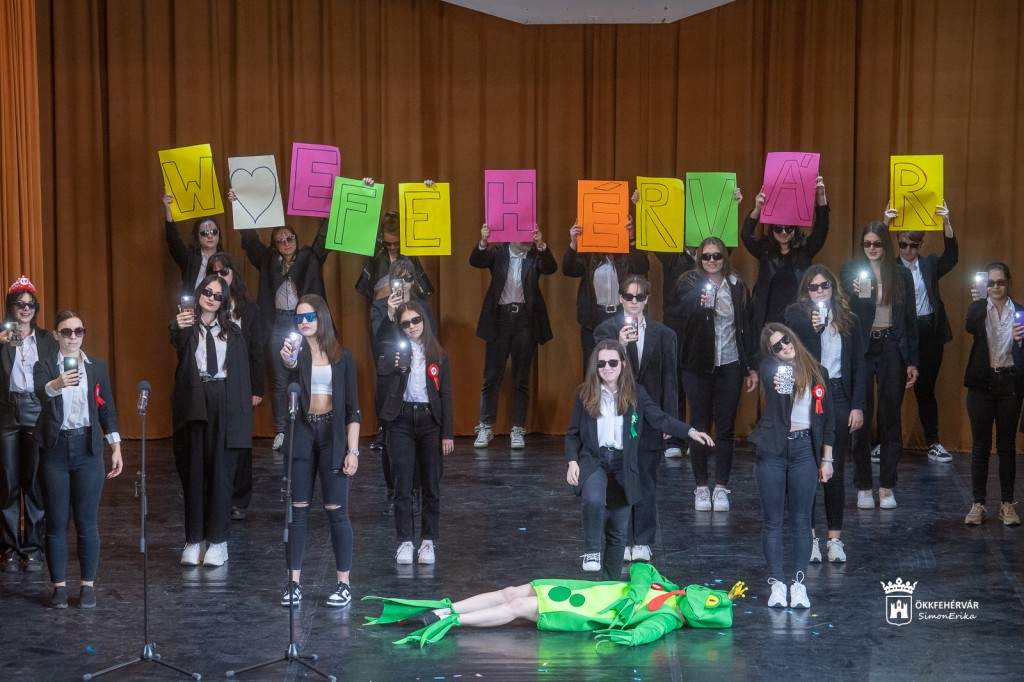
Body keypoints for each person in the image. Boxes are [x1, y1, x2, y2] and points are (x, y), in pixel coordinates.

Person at [565, 340, 714, 580]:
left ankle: (610, 586)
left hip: (624, 464)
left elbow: (660, 419)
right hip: (594, 460)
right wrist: (572, 461)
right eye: (601, 363)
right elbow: (573, 434)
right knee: (593, 499)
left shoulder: (636, 393)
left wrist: (690, 431)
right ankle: (591, 551)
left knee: (618, 532)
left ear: (623, 364)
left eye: (612, 362)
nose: (607, 368)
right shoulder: (585, 394)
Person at [364, 562, 745, 648]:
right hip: (571, 588)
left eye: (709, 600)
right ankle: (445, 610)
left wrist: (631, 637)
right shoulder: (670, 588)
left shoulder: (668, 617)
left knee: (516, 608)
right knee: (511, 591)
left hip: (577, 610)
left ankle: (451, 621)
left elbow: (650, 630)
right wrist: (636, 590)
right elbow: (642, 568)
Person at [34, 310, 123, 609]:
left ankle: (88, 586)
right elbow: (40, 392)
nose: (73, 337)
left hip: (88, 448)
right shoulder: (45, 365)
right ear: (56, 335)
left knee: (87, 522)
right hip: (56, 449)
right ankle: (59, 587)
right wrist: (57, 384)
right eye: (66, 331)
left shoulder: (96, 367)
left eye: (78, 331)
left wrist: (116, 447)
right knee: (56, 522)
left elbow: (106, 409)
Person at [278, 294, 361, 607]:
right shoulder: (294, 353)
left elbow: (353, 410)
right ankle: (293, 583)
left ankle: (343, 584)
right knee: (297, 510)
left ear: (322, 317)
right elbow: (288, 367)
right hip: (302, 434)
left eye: (310, 316)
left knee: (336, 510)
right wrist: (289, 359)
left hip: (332, 436)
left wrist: (353, 451)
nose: (304, 322)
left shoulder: (342, 356)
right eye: (299, 317)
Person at [170, 275, 255, 567]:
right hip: (195, 397)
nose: (211, 298)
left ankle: (218, 541)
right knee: (194, 471)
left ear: (224, 301)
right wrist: (178, 324)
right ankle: (194, 539)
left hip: (224, 398)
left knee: (221, 472)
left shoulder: (233, 332)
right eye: (207, 292)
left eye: (218, 295)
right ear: (198, 293)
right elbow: (177, 340)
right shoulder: (186, 325)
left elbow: (242, 376)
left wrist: (243, 417)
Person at [668, 237, 759, 512]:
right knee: (699, 425)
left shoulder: (736, 284)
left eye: (716, 256)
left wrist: (751, 366)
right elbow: (679, 313)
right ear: (699, 258)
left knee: (726, 427)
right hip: (697, 365)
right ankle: (700, 487)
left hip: (730, 363)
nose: (711, 261)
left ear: (724, 257)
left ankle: (720, 487)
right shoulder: (688, 282)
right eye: (706, 256)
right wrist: (701, 304)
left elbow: (748, 327)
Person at [749, 324, 834, 610]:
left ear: (793, 337)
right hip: (773, 449)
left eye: (786, 340)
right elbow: (774, 386)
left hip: (804, 450)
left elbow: (828, 421)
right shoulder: (770, 368)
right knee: (772, 521)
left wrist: (827, 459)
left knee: (802, 521)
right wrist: (781, 382)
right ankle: (777, 584)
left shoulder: (818, 372)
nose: (785, 347)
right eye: (777, 346)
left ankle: (799, 585)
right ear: (771, 352)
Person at [237, 190, 330, 450]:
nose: (286, 243)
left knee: (308, 374)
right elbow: (250, 241)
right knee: (279, 379)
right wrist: (240, 205)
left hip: (305, 323)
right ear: (274, 245)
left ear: (296, 240)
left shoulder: (309, 258)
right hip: (278, 323)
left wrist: (334, 204)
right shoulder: (268, 261)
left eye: (290, 238)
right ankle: (281, 431)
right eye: (280, 240)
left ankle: (310, 426)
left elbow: (325, 237)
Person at [785, 265, 865, 563]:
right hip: (808, 394)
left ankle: (835, 539)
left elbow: (859, 364)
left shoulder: (849, 319)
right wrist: (814, 327)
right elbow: (792, 342)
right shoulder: (797, 315)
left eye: (825, 285)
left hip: (839, 393)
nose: (820, 291)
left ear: (833, 287)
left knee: (834, 468)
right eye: (814, 287)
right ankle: (811, 539)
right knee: (807, 469)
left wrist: (858, 405)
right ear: (806, 291)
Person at [594, 275, 677, 563]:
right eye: (628, 296)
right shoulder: (605, 331)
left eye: (639, 297)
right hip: (615, 416)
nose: (633, 302)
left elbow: (670, 381)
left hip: (649, 418)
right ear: (620, 298)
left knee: (646, 480)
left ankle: (642, 540)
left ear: (646, 300)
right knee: (618, 480)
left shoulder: (664, 334)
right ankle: (621, 540)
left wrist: (669, 420)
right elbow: (599, 372)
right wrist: (619, 344)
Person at [840, 223, 918, 510]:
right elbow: (850, 305)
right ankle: (863, 486)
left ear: (886, 245)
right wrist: (858, 291)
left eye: (877, 243)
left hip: (891, 346)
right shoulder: (852, 271)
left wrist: (912, 361)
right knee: (860, 417)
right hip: (862, 347)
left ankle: (887, 486)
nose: (871, 248)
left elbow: (910, 320)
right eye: (867, 243)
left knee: (890, 418)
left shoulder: (901, 274)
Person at [378, 302, 454, 565]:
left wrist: (447, 433)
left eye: (416, 320)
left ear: (424, 320)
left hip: (429, 422)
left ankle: (428, 542)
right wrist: (397, 364)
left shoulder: (439, 355)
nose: (412, 327)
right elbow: (382, 358)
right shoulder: (394, 352)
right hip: (400, 420)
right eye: (405, 323)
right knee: (402, 485)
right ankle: (405, 542)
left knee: (431, 484)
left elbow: (446, 395)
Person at [470, 223, 557, 449]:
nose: (528, 240)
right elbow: (476, 261)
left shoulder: (534, 255)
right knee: (492, 376)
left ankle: (517, 429)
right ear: (512, 234)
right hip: (499, 319)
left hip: (525, 320)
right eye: (525, 236)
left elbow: (551, 268)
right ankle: (485, 426)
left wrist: (542, 245)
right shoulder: (498, 252)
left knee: (520, 377)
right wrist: (483, 241)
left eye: (531, 236)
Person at [885, 201, 959, 462]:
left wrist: (946, 222)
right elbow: (873, 252)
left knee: (925, 390)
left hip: (928, 333)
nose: (908, 250)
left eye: (913, 245)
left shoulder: (929, 265)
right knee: (892, 391)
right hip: (900, 334)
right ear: (897, 243)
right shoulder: (889, 267)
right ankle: (885, 442)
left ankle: (933, 443)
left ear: (921, 245)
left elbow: (952, 257)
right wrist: (885, 222)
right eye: (903, 244)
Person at [371, 258, 438, 515]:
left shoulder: (422, 307)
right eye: (399, 278)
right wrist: (390, 314)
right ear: (391, 281)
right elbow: (379, 340)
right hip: (390, 379)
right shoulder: (380, 306)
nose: (405, 283)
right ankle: (393, 492)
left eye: (409, 278)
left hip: (419, 378)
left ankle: (416, 491)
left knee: (419, 436)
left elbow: (432, 341)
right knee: (390, 438)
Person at [1, 277, 57, 573]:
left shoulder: (46, 339)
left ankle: (34, 549)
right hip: (7, 411)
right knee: (8, 482)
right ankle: (10, 549)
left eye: (30, 304)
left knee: (34, 482)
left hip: (36, 410)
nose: (25, 308)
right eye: (20, 304)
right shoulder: (2, 337)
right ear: (10, 307)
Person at [205, 252, 264, 521]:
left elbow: (256, 351)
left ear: (233, 274)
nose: (220, 277)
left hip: (242, 383)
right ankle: (215, 496)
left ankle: (239, 499)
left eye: (224, 272)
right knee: (214, 442)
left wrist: (257, 389)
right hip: (213, 383)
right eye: (214, 273)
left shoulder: (249, 309)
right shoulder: (206, 307)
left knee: (240, 443)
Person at [962, 263, 1023, 527]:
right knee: (980, 446)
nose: (995, 287)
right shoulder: (978, 308)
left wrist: (1022, 341)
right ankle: (978, 504)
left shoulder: (1020, 312)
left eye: (1000, 282)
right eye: (991, 282)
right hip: (981, 383)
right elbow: (970, 327)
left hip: (1010, 383)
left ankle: (1007, 504)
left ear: (1008, 283)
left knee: (1007, 447)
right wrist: (978, 301)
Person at [562, 215, 649, 371]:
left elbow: (642, 266)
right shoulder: (589, 255)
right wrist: (574, 243)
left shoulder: (626, 255)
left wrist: (632, 239)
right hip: (595, 317)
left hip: (622, 316)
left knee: (624, 364)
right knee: (593, 367)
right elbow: (568, 270)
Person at [741, 176, 829, 330]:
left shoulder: (805, 249)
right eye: (778, 228)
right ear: (772, 229)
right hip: (768, 321)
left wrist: (821, 197)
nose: (783, 232)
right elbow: (746, 235)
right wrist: (757, 209)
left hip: (799, 320)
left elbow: (822, 228)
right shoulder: (765, 250)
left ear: (795, 229)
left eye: (788, 228)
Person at [162, 193, 223, 295]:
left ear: (219, 234)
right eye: (204, 233)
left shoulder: (226, 261)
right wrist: (168, 209)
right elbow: (173, 241)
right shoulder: (190, 259)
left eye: (214, 232)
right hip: (193, 304)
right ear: (197, 236)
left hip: (217, 304)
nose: (210, 236)